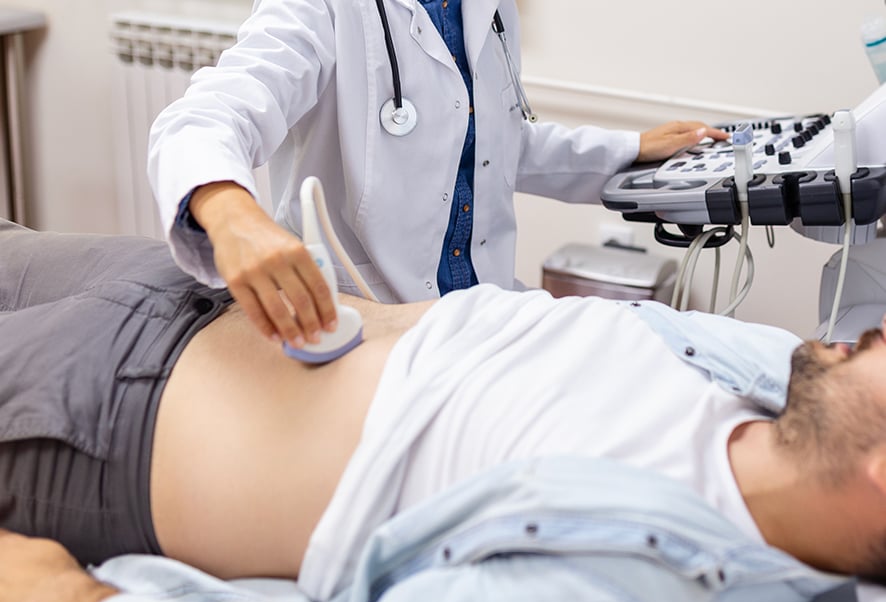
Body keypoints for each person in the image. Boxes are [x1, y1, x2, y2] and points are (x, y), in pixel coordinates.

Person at [0, 218, 878, 602]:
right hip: (186, 289)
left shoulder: (626, 588)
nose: (872, 333)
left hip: (102, 415)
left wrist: (73, 601)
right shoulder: (765, 373)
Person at [148, 0, 729, 352]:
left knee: (654, 346)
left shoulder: (487, 10)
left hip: (483, 312)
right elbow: (206, 118)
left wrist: (630, 148)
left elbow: (491, 144)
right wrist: (229, 212)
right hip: (371, 319)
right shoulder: (318, 8)